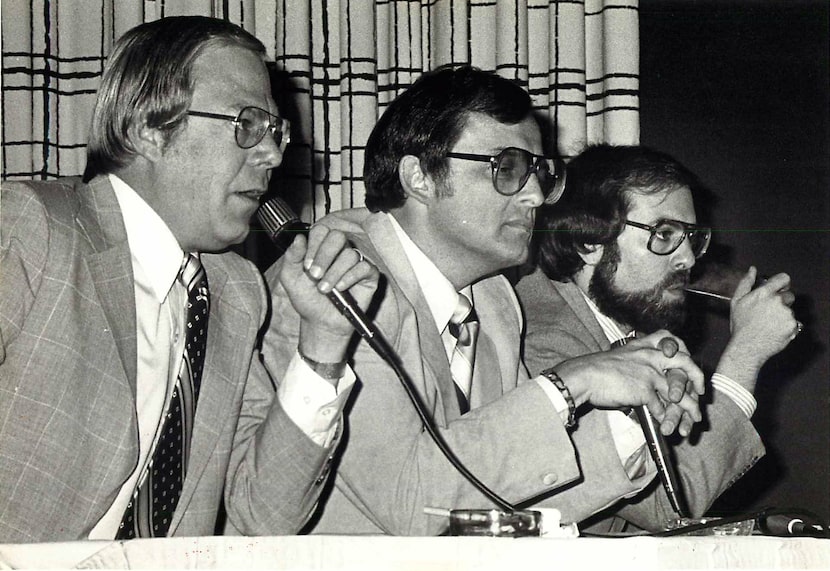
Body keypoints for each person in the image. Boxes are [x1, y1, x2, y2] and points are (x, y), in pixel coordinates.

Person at [260, 66, 709, 536]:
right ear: (420, 178)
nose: (536, 195)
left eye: (539, 173)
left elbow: (509, 489)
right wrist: (573, 381)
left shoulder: (493, 300)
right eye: (508, 168)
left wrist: (639, 411)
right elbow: (411, 503)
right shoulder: (334, 278)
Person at [0, 16, 379, 542]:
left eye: (276, 132)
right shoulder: (30, 228)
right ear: (148, 129)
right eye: (246, 124)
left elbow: (263, 517)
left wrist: (324, 343)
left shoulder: (233, 291)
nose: (272, 154)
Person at [515, 143, 799, 532]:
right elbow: (666, 507)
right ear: (589, 243)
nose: (689, 260)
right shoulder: (537, 338)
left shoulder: (625, 333)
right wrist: (745, 356)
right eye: (664, 233)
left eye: (691, 239)